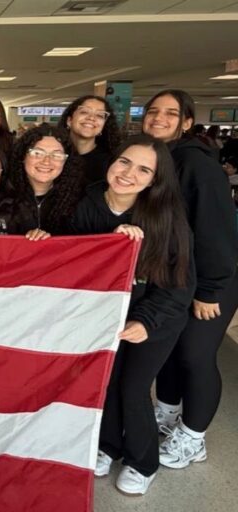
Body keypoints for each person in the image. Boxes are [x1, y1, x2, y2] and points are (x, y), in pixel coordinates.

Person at [73, 134, 194, 495]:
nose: (129, 173)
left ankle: (143, 462)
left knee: (133, 387)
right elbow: (76, 258)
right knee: (106, 384)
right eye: (125, 161)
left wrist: (146, 322)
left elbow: (180, 285)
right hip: (105, 316)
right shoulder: (87, 201)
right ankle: (108, 446)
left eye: (144, 170)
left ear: (155, 180)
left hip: (154, 319)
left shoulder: (167, 219)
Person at [141, 89, 238, 470]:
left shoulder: (198, 166)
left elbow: (216, 232)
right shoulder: (154, 161)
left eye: (170, 113)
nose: (158, 118)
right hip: (172, 278)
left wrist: (211, 289)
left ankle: (194, 436)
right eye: (152, 112)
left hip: (211, 280)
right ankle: (166, 415)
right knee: (168, 351)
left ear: (186, 122)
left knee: (195, 356)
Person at [6, 123, 84, 239]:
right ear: (23, 156)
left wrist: (117, 234)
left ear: (66, 161)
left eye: (57, 155)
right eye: (37, 153)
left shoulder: (81, 199)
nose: (46, 161)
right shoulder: (2, 195)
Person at [58, 95, 121, 184]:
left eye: (99, 115)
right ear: (69, 121)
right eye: (84, 112)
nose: (91, 118)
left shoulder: (110, 161)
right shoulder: (54, 154)